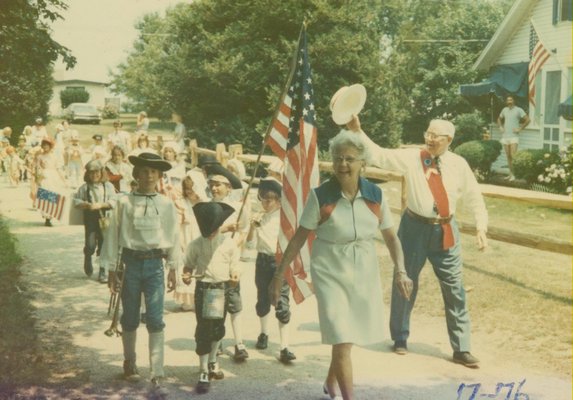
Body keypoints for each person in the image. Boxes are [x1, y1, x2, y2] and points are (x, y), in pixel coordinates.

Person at [270, 130, 411, 400]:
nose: (342, 164)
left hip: (364, 269)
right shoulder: (321, 196)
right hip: (329, 269)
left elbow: (392, 238)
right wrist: (278, 276)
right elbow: (299, 237)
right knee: (342, 335)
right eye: (337, 158)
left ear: (363, 164)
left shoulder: (376, 195)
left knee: (346, 338)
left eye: (349, 158)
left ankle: (329, 383)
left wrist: (401, 271)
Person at [347, 115, 488, 369]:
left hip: (446, 230)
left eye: (436, 136)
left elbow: (474, 195)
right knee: (405, 280)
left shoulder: (458, 164)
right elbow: (378, 154)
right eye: (428, 133)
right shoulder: (413, 158)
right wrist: (358, 131)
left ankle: (462, 348)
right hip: (414, 229)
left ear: (449, 140)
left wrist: (481, 226)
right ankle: (400, 337)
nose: (430, 139)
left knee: (455, 287)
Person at [100, 152, 179, 396]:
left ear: (159, 176)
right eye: (144, 171)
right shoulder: (124, 203)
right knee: (131, 317)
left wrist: (174, 267)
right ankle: (130, 361)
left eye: (153, 172)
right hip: (131, 265)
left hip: (155, 265)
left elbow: (173, 237)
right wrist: (112, 268)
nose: (149, 176)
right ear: (136, 174)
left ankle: (157, 370)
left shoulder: (166, 204)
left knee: (155, 319)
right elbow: (113, 235)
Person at [183, 201, 239, 394]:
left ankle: (213, 360)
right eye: (207, 229)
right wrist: (187, 274)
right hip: (203, 289)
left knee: (217, 327)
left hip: (221, 289)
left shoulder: (229, 243)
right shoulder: (195, 244)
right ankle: (203, 369)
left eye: (214, 229)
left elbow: (235, 265)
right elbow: (188, 265)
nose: (211, 233)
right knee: (204, 329)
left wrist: (234, 275)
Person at [246, 177, 296, 363]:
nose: (265, 203)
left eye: (269, 200)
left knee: (281, 302)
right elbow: (250, 246)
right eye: (263, 199)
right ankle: (264, 333)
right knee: (263, 299)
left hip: (279, 263)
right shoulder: (260, 218)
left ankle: (284, 346)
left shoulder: (284, 220)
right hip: (262, 261)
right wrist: (252, 227)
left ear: (278, 201)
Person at [207, 170, 250, 361]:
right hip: (213, 264)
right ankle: (217, 342)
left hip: (231, 263)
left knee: (234, 303)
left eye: (219, 185)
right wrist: (224, 229)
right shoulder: (206, 209)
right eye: (212, 184)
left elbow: (244, 231)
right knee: (215, 305)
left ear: (228, 188)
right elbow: (205, 234)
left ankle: (239, 343)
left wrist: (234, 244)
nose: (215, 188)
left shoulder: (237, 208)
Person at [73, 160, 117, 282]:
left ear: (102, 172)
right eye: (91, 173)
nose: (94, 175)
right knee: (90, 243)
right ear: (87, 174)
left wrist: (101, 205)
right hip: (90, 218)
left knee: (104, 244)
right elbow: (76, 201)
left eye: (97, 172)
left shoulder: (108, 186)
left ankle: (103, 270)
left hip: (105, 217)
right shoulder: (85, 188)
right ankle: (88, 255)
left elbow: (114, 200)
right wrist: (85, 204)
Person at [173, 176, 203, 311]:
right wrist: (179, 241)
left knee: (200, 265)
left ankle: (199, 298)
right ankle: (187, 300)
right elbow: (177, 225)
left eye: (193, 191)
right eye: (188, 191)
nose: (191, 194)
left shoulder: (202, 203)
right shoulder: (181, 203)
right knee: (186, 265)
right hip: (186, 236)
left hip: (200, 236)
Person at [33, 137, 67, 226]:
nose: (45, 147)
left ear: (50, 146)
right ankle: (47, 218)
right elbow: (37, 168)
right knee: (45, 195)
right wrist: (37, 178)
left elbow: (59, 168)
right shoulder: (40, 156)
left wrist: (64, 180)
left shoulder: (54, 156)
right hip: (44, 176)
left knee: (53, 194)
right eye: (43, 145)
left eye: (47, 145)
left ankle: (51, 214)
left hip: (53, 176)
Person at [497, 95, 530, 181]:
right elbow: (499, 119)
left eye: (511, 100)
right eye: (508, 100)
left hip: (514, 137)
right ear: (506, 102)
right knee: (508, 156)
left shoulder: (519, 110)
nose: (509, 101)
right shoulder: (504, 110)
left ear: (514, 101)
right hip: (505, 136)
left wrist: (520, 128)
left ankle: (515, 175)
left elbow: (528, 120)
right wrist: (500, 126)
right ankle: (510, 174)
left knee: (513, 156)